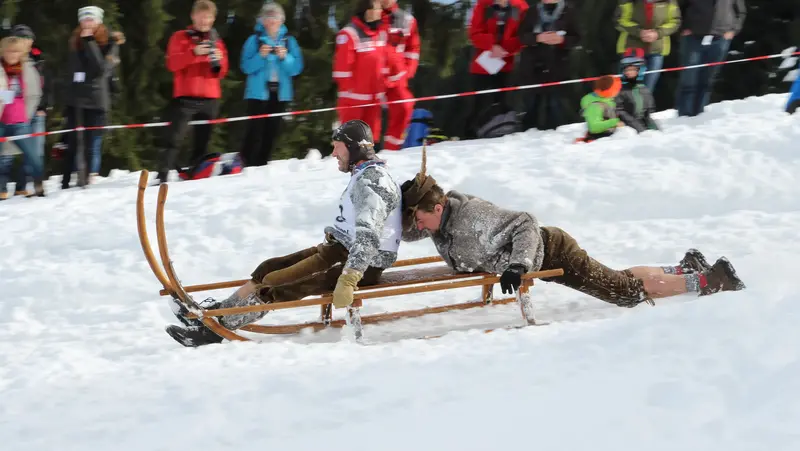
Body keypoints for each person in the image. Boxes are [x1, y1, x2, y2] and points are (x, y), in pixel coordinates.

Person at [397, 155, 746, 311]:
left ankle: (709, 280)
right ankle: (684, 267)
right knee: (620, 278)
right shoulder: (438, 224)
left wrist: (518, 265)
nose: (418, 226)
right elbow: (408, 231)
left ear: (437, 208)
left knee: (625, 293)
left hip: (554, 251)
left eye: (420, 218)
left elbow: (524, 223)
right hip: (547, 251)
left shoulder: (471, 215)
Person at [166, 119, 404, 347]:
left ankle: (216, 329)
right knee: (268, 268)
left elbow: (368, 236)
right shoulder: (365, 175)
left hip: (362, 265)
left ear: (353, 149)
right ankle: (216, 311)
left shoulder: (372, 182)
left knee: (278, 284)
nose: (333, 154)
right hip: (339, 251)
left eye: (337, 148)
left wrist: (349, 278)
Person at [157, 0, 229, 184]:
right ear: (193, 16)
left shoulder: (217, 40)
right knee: (174, 138)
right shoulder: (180, 37)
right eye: (201, 16)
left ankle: (195, 173)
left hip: (210, 97)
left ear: (213, 19)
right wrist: (194, 53)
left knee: (202, 140)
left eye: (208, 17)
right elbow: (172, 64)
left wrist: (218, 61)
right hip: (185, 96)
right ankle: (163, 174)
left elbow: (222, 72)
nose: (204, 21)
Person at [61, 6, 122, 189]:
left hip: (96, 100)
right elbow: (71, 71)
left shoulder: (111, 42)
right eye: (84, 20)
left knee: (91, 144)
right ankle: (65, 181)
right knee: (71, 142)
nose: (88, 23)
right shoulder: (74, 41)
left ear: (99, 21)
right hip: (75, 99)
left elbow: (101, 69)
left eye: (92, 20)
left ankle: (89, 180)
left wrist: (89, 41)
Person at [239, 2, 303, 167]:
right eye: (268, 17)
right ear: (262, 20)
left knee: (272, 132)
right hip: (257, 94)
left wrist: (285, 57)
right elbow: (245, 67)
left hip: (280, 94)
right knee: (254, 132)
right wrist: (260, 56)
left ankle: (262, 165)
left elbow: (296, 68)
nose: (272, 21)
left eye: (275, 17)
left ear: (282, 20)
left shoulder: (289, 41)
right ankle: (246, 165)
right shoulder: (254, 40)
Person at [675, 0, 746, 117]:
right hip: (693, 38)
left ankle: (699, 112)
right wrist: (683, 27)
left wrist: (733, 30)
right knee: (689, 77)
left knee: (708, 78)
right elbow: (677, 8)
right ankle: (685, 114)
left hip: (720, 39)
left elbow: (741, 12)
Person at [332, 0, 389, 143]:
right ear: (368, 11)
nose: (381, 11)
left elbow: (384, 62)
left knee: (371, 140)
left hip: (374, 98)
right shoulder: (349, 34)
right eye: (377, 8)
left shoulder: (380, 33)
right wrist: (351, 93)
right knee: (353, 141)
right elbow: (342, 70)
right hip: (354, 101)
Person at [0, 36, 42, 200]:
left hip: (20, 120)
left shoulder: (27, 69)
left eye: (16, 51)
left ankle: (38, 186)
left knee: (33, 156)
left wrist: (27, 115)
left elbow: (34, 93)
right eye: (9, 51)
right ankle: (1, 190)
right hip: (2, 119)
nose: (12, 54)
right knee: (3, 158)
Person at [614, 0, 681, 92]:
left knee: (647, 91)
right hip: (631, 50)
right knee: (628, 90)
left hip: (656, 51)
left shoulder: (670, 2)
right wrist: (639, 32)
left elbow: (675, 21)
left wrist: (658, 33)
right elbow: (619, 20)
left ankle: (644, 106)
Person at [380, 0, 420, 151]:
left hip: (396, 79)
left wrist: (407, 71)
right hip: (370, 80)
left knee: (405, 106)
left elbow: (413, 49)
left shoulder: (407, 20)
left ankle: (393, 150)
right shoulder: (366, 16)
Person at [616, 47, 659, 133]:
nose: (628, 72)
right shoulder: (620, 91)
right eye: (627, 70)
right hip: (626, 127)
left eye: (632, 70)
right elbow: (620, 112)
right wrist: (639, 128)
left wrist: (654, 129)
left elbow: (647, 113)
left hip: (641, 125)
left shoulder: (644, 90)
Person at [576, 75, 624, 143]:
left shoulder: (608, 99)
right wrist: (615, 122)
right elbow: (594, 127)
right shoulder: (595, 106)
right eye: (616, 88)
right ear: (608, 89)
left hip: (610, 137)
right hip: (599, 142)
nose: (618, 90)